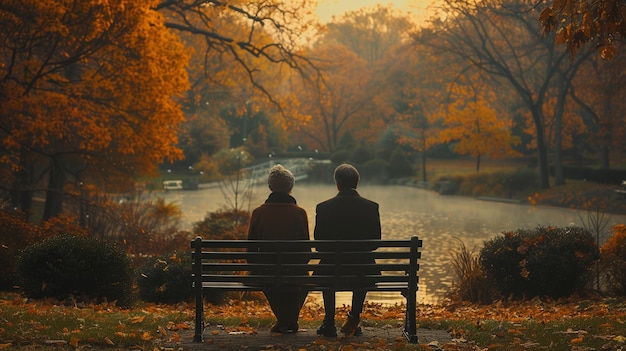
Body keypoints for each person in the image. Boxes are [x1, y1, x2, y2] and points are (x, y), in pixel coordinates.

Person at [314, 163, 382, 337]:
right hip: (363, 270)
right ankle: (353, 319)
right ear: (357, 183)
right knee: (363, 267)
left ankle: (329, 323)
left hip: (331, 269)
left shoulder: (323, 208)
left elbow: (319, 244)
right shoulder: (371, 207)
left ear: (337, 184)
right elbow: (375, 243)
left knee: (326, 268)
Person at [247, 164, 310, 333]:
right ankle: (289, 320)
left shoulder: (258, 213)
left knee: (268, 277)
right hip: (295, 271)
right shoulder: (300, 213)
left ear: (270, 187)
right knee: (302, 279)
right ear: (291, 187)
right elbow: (306, 252)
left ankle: (284, 320)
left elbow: (251, 253)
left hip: (267, 271)